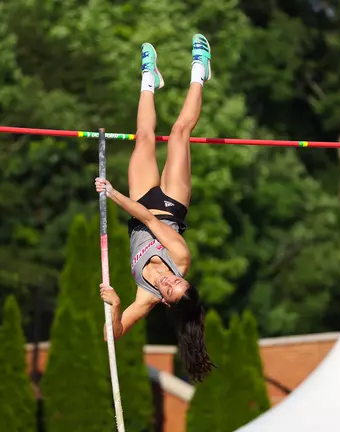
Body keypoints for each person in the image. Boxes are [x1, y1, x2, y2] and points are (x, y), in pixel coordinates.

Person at [94, 34, 214, 382]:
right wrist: (112, 194)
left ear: (163, 300)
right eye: (174, 281)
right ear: (181, 276)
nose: (166, 280)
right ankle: (199, 71)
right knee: (178, 132)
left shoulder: (144, 297)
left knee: (144, 136)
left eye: (166, 289)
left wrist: (117, 307)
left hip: (141, 201)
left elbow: (110, 336)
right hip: (168, 207)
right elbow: (147, 217)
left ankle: (149, 78)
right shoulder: (181, 257)